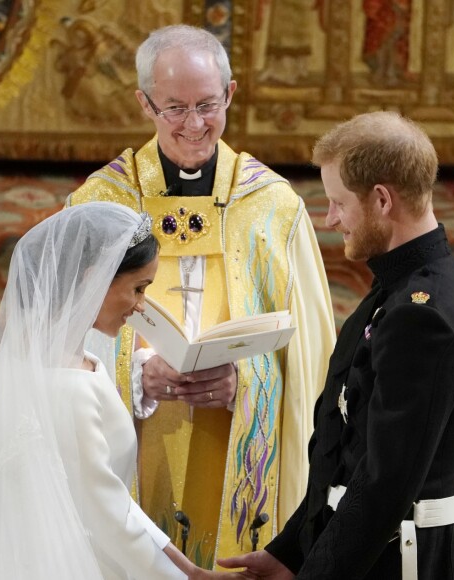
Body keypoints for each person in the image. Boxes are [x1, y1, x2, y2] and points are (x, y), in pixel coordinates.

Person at [65, 23, 336, 563]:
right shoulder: (100, 206)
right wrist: (137, 375)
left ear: (231, 94)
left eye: (208, 105)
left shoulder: (274, 210)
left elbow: (311, 362)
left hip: (235, 449)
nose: (195, 125)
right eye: (175, 108)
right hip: (138, 443)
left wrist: (245, 381)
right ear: (145, 103)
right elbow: (59, 343)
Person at [217, 111, 454, 579]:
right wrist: (290, 553)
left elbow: (383, 488)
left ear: (382, 199)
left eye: (339, 202)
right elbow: (345, 455)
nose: (331, 218)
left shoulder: (420, 316)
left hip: (401, 561)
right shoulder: (399, 284)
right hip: (375, 550)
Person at [0, 202, 233, 579]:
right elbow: (108, 520)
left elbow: (114, 500)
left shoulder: (72, 358)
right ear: (94, 278)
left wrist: (188, 567)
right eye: (138, 289)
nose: (141, 306)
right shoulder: (68, 386)